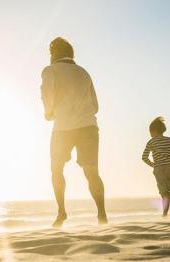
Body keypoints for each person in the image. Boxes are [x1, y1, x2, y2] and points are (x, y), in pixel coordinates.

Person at [41, 37, 108, 227]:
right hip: (88, 125)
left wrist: (49, 113)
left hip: (62, 127)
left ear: (53, 54)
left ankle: (61, 212)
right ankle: (102, 214)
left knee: (56, 169)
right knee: (92, 172)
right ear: (71, 53)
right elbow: (95, 106)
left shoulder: (50, 70)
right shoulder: (83, 72)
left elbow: (47, 94)